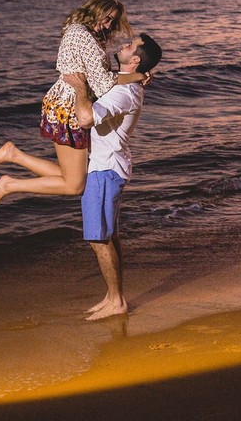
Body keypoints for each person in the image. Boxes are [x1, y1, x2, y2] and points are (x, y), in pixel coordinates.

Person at [0, 0, 143, 212]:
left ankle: (13, 155)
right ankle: (9, 184)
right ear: (96, 10)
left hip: (67, 103)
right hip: (66, 108)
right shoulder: (82, 35)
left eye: (112, 21)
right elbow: (103, 83)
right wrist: (136, 76)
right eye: (107, 18)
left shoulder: (86, 32)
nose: (108, 25)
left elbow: (97, 77)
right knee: (75, 185)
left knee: (75, 178)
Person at [64, 32, 161, 320]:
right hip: (110, 167)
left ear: (135, 60)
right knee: (109, 236)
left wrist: (80, 88)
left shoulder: (124, 93)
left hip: (104, 169)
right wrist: (140, 76)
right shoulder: (126, 83)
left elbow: (85, 118)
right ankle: (112, 295)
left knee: (99, 239)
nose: (124, 44)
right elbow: (109, 77)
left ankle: (117, 301)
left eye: (131, 45)